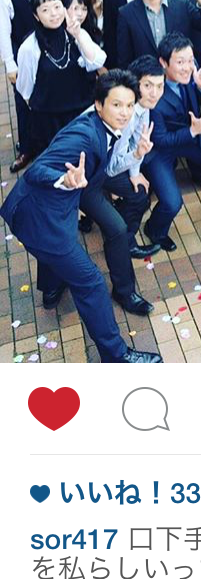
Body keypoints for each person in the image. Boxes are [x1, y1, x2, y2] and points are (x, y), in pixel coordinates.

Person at [0, 71, 162, 362]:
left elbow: (107, 167)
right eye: (116, 105)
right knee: (92, 283)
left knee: (91, 242)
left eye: (129, 105)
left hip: (60, 206)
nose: (125, 113)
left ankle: (51, 289)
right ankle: (117, 357)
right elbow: (36, 171)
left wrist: (136, 153)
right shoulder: (84, 135)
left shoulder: (108, 127)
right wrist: (64, 180)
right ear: (99, 105)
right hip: (41, 217)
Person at [143, 33, 201, 250]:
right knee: (172, 202)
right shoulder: (153, 91)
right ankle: (154, 229)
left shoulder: (192, 75)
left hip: (189, 135)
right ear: (163, 62)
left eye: (190, 60)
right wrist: (193, 131)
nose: (187, 67)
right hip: (160, 149)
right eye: (180, 62)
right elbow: (160, 140)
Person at [17, 0, 107, 158]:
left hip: (81, 113)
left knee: (84, 158)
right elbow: (25, 88)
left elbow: (97, 61)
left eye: (57, 7)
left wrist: (78, 35)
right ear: (36, 16)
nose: (53, 14)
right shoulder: (30, 47)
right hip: (49, 119)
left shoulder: (76, 33)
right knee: (56, 160)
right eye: (45, 10)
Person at [106, 54, 165, 258]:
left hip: (116, 159)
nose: (155, 93)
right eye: (148, 86)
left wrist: (134, 172)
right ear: (135, 84)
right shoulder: (126, 115)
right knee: (140, 196)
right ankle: (124, 243)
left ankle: (115, 221)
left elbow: (136, 143)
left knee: (141, 184)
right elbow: (111, 167)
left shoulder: (143, 106)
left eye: (160, 86)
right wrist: (137, 155)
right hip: (97, 168)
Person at [0, 0, 42, 171]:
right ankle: (26, 148)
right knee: (23, 101)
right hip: (21, 54)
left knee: (47, 98)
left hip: (47, 51)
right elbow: (3, 31)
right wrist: (10, 64)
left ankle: (47, 142)